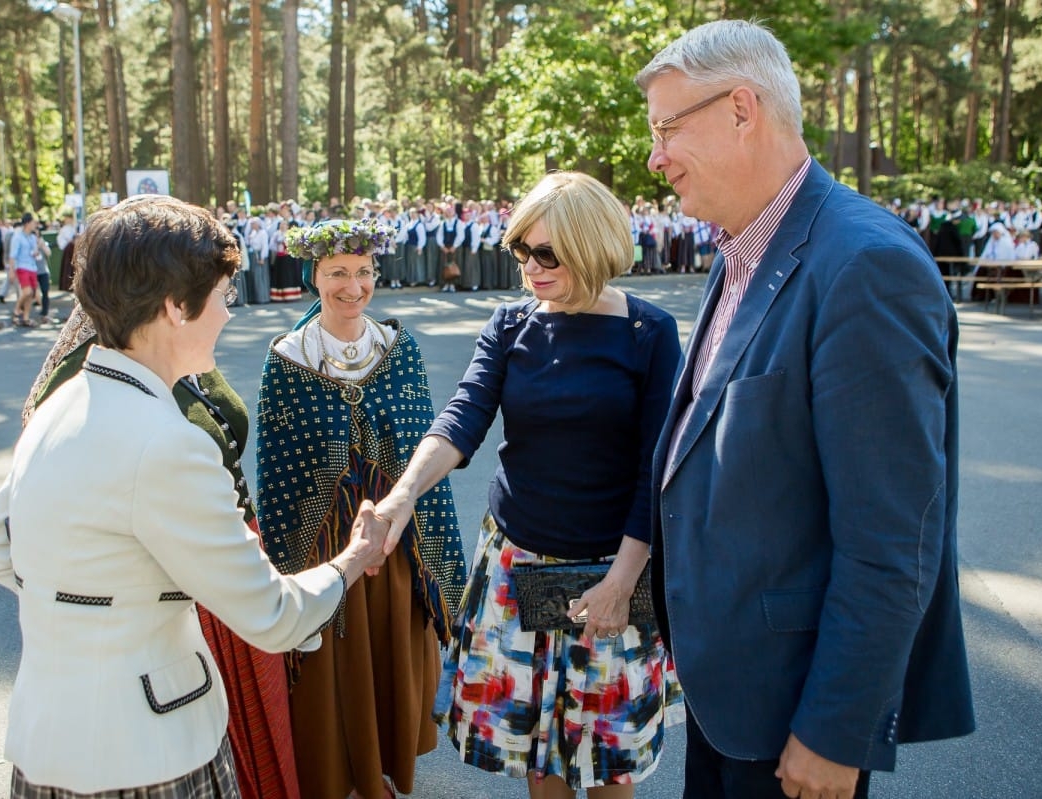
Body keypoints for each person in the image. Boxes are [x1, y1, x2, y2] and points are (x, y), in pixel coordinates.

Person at [637, 20, 975, 799]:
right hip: (730, 700)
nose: (656, 157)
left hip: (794, 721)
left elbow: (893, 537)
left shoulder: (865, 264)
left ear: (742, 110)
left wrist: (835, 728)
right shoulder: (745, 248)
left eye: (667, 128)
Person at [0, 195, 387, 798]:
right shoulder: (170, 443)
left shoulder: (58, 404)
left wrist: (91, 603)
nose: (228, 315)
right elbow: (272, 616)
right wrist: (353, 558)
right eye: (223, 297)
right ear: (175, 307)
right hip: (150, 752)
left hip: (46, 737)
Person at [363, 171, 685, 799]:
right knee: (539, 754)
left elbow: (658, 471)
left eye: (547, 254)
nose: (529, 267)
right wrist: (402, 495)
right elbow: (462, 418)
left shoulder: (649, 334)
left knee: (606, 759)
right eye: (520, 249)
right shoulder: (511, 324)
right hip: (518, 560)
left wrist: (621, 583)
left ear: (592, 248)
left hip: (612, 567)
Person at [254, 218, 467, 799]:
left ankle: (383, 768)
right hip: (323, 547)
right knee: (335, 664)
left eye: (363, 272)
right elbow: (278, 472)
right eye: (337, 274)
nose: (353, 286)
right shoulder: (288, 359)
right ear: (313, 278)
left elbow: (422, 448)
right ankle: (338, 775)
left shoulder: (400, 351)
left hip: (396, 545)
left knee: (392, 650)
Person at [9, 213, 40, 327]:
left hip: (32, 266)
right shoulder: (17, 237)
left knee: (31, 294)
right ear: (27, 223)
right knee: (27, 291)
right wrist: (12, 270)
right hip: (22, 266)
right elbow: (13, 255)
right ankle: (17, 309)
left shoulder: (32, 237)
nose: (35, 225)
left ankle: (26, 316)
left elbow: (34, 251)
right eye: (33, 223)